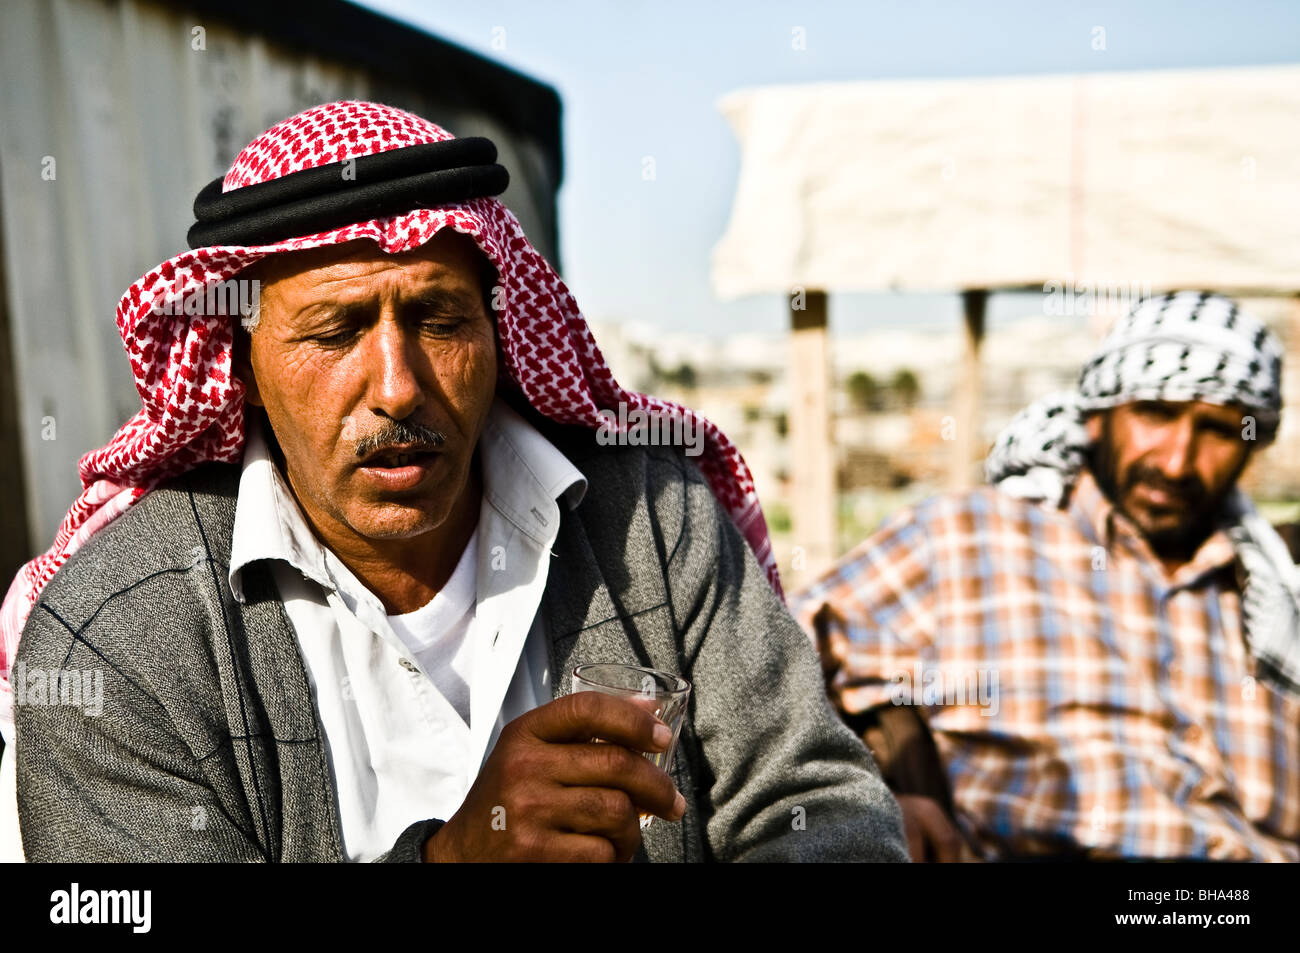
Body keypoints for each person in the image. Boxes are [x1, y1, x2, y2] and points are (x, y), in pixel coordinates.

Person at [2, 101, 906, 863]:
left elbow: (819, 805)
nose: (397, 386)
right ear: (247, 366)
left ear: (499, 332)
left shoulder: (652, 526)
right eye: (334, 331)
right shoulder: (120, 636)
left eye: (438, 319)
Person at [793, 291, 1300, 862]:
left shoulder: (1273, 598)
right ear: (1100, 415)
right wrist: (859, 800)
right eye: (1155, 414)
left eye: (1217, 430)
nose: (1177, 460)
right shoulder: (967, 538)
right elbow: (765, 662)